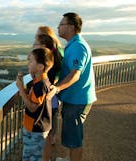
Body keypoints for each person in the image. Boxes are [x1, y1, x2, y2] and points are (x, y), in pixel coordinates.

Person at [48, 12, 97, 161]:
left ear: (71, 27)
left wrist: (57, 88)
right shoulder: (73, 45)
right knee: (71, 134)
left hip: (77, 100)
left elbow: (75, 74)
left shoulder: (78, 47)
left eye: (61, 24)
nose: (58, 27)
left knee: (74, 138)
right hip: (74, 98)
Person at [16, 48, 54, 161]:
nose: (28, 63)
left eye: (31, 61)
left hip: (36, 130)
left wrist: (21, 90)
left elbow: (33, 107)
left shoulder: (41, 85)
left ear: (40, 67)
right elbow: (32, 98)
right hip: (33, 128)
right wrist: (22, 85)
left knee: (34, 157)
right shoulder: (38, 81)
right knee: (28, 156)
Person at [33, 33, 62, 161]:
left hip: (48, 107)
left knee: (44, 141)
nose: (33, 46)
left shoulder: (45, 72)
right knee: (48, 140)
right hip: (54, 105)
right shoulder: (53, 62)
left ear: (43, 47)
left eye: (35, 44)